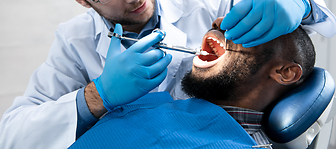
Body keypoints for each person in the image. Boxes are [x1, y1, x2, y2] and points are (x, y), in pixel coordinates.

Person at [0, 0, 336, 149]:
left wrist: (299, 0)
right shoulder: (74, 44)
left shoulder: (200, 3)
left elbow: (288, 36)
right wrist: (96, 97)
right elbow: (12, 135)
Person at [69, 17, 316, 149]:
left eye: (250, 29)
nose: (219, 22)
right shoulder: (151, 102)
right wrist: (97, 96)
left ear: (285, 73)